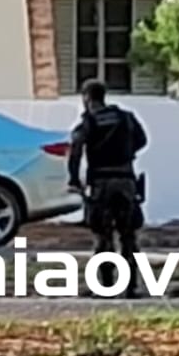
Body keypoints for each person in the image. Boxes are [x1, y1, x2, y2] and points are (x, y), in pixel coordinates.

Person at [67, 79, 148, 298]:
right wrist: (125, 153)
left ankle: (106, 285)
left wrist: (74, 179)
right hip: (126, 182)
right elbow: (142, 140)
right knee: (129, 235)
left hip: (101, 184)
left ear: (86, 98)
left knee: (102, 236)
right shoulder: (126, 118)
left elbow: (75, 151)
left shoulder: (88, 122)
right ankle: (131, 287)